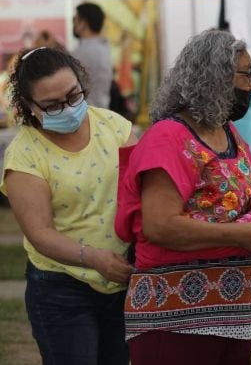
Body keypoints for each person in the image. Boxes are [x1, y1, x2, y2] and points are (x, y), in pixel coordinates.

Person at [115, 29, 251, 365]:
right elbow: (160, 225)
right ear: (215, 77)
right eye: (246, 75)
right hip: (177, 321)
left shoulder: (226, 132)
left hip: (233, 316)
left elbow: (214, 201)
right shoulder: (169, 137)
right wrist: (242, 234)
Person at [1, 46, 135, 365]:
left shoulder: (116, 127)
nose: (68, 108)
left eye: (74, 96)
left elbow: (144, 194)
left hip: (122, 279)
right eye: (52, 105)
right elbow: (40, 233)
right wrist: (94, 258)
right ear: (29, 107)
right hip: (61, 289)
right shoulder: (24, 155)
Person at [72, 2, 113, 109]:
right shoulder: (102, 47)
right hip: (98, 107)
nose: (74, 24)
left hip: (88, 110)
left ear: (83, 23)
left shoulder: (87, 51)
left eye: (75, 20)